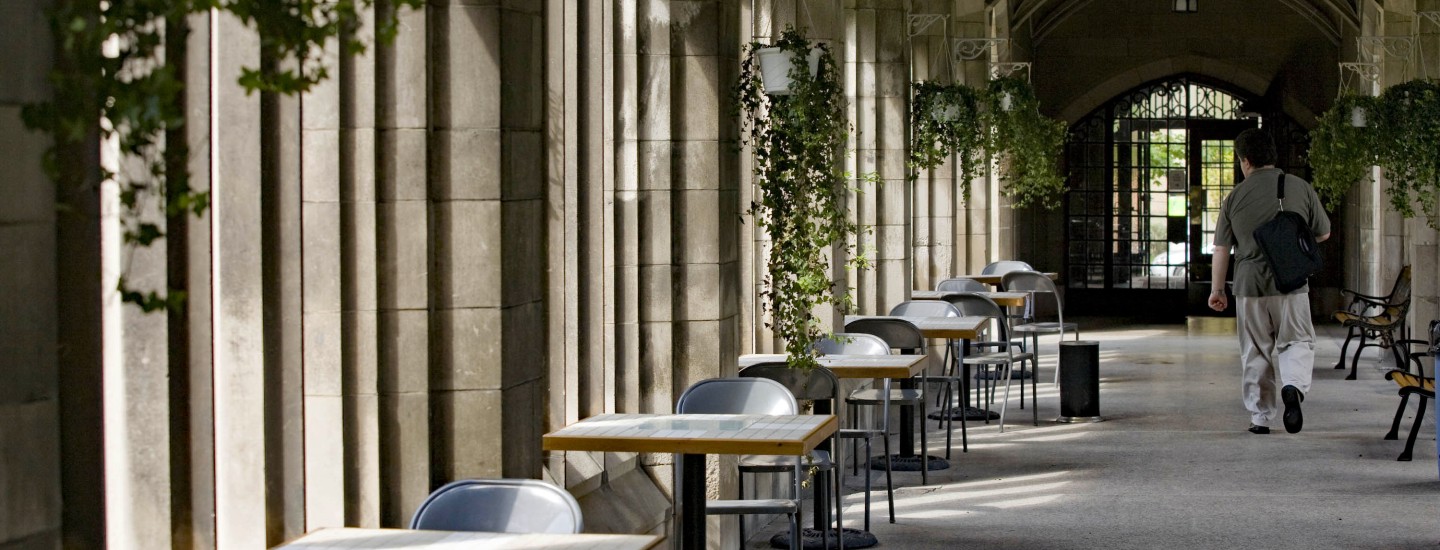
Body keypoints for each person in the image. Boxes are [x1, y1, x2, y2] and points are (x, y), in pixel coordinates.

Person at [1208, 128, 1331, 435]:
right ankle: (1293, 388)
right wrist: (1292, 247)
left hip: (1249, 285)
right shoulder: (1299, 187)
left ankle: (1260, 417)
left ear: (1245, 160)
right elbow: (1324, 232)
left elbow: (1222, 248)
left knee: (1255, 350)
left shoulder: (1234, 196)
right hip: (1291, 282)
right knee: (1298, 340)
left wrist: (1217, 289)